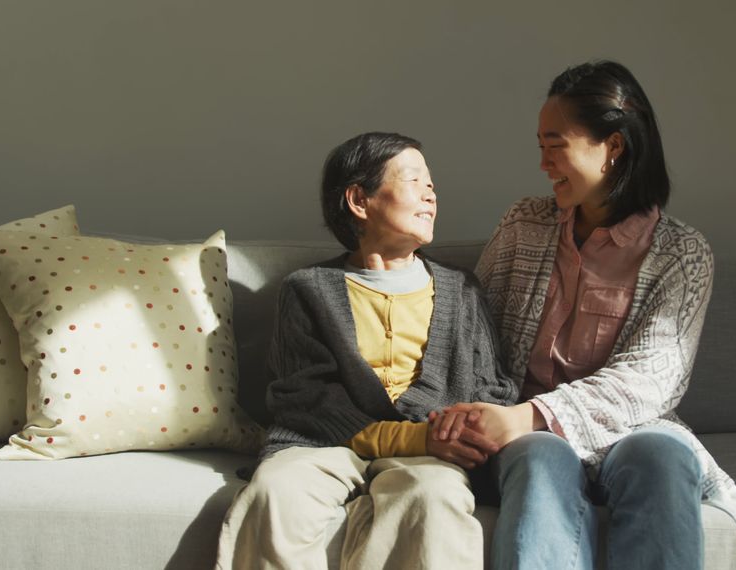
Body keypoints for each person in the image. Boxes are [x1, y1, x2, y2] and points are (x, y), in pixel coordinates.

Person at [436, 61, 736, 569]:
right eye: (539, 146)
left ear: (614, 146)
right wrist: (477, 416)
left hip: (628, 429)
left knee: (664, 458)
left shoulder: (682, 254)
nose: (543, 163)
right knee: (541, 457)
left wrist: (529, 415)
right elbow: (476, 333)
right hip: (527, 436)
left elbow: (651, 381)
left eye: (555, 145)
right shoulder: (524, 225)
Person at [217, 132, 517, 570]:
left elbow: (493, 388)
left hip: (429, 455)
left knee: (433, 498)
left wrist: (457, 429)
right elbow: (305, 399)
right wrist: (412, 435)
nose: (431, 195)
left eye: (432, 185)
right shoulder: (307, 290)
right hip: (324, 445)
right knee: (273, 491)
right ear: (359, 200)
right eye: (415, 181)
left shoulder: (461, 290)